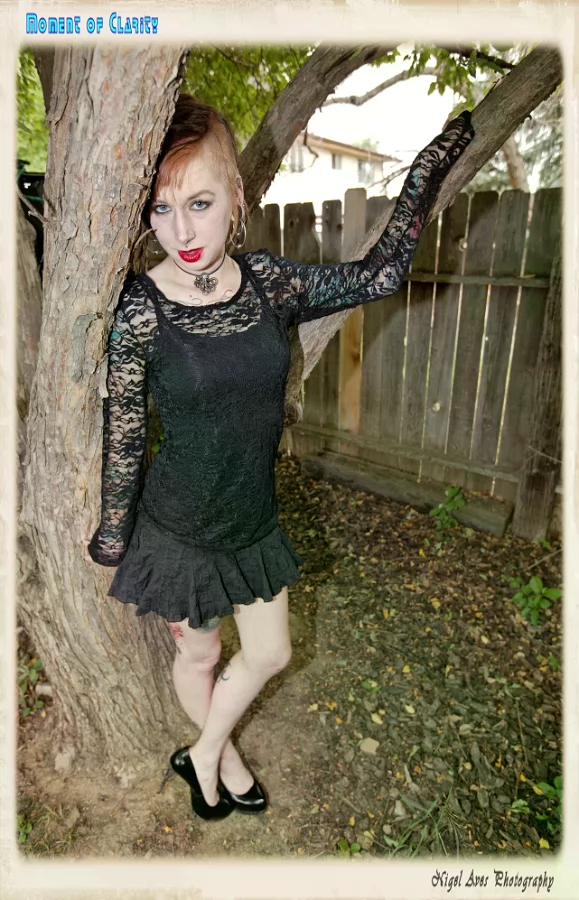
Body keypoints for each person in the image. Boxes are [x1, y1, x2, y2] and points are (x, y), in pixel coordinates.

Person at [84, 94, 474, 821]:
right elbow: (126, 431)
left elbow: (379, 276)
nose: (180, 231)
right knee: (200, 656)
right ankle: (221, 758)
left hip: (253, 518)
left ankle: (202, 751)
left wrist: (428, 167)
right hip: (179, 528)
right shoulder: (141, 309)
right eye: (161, 210)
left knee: (270, 654)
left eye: (199, 203)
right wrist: (113, 533)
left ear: (235, 195)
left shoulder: (270, 283)